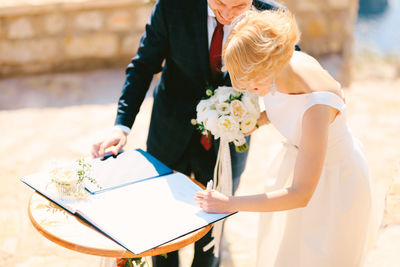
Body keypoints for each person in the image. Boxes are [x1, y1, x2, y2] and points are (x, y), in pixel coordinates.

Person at [91, 1, 286, 266]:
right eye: (219, 3)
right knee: (162, 226)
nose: (227, 14)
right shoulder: (173, 6)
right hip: (170, 128)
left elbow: (288, 78)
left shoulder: (273, 17)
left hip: (227, 143)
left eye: (239, 5)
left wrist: (260, 119)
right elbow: (144, 65)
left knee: (212, 234)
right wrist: (121, 125)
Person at [195, 9, 373, 267]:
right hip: (302, 169)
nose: (252, 90)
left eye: (253, 85)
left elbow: (301, 195)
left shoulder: (316, 108)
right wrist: (259, 119)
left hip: (333, 187)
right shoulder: (284, 62)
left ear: (267, 66)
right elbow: (289, 103)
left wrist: (230, 203)